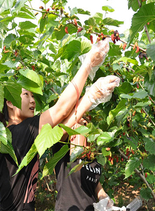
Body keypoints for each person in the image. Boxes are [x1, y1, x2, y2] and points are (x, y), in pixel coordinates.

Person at [0, 38, 112, 211]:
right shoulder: (21, 132)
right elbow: (61, 109)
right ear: (10, 102)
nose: (33, 101)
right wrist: (88, 66)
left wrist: (90, 98)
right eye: (26, 95)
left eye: (33, 96)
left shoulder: (6, 137)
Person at [52, 75, 120, 211]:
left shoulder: (92, 156)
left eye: (84, 122)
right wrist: (92, 95)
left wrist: (103, 198)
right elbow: (62, 129)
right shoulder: (64, 150)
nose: (81, 124)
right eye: (76, 123)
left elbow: (94, 182)